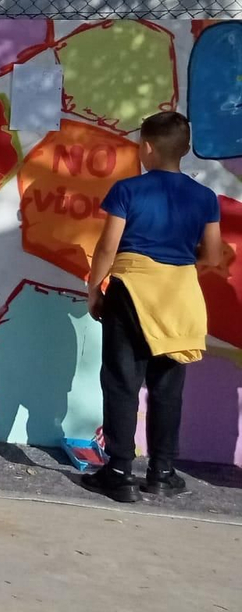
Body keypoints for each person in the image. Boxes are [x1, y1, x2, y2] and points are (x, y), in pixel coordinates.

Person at [82, 111, 223, 502]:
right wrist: (176, 262)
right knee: (167, 386)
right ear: (185, 149)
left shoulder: (127, 190)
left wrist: (95, 288)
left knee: (122, 381)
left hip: (131, 289)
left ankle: (118, 471)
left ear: (145, 148)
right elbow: (213, 255)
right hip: (179, 294)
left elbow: (108, 247)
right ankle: (162, 472)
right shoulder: (205, 198)